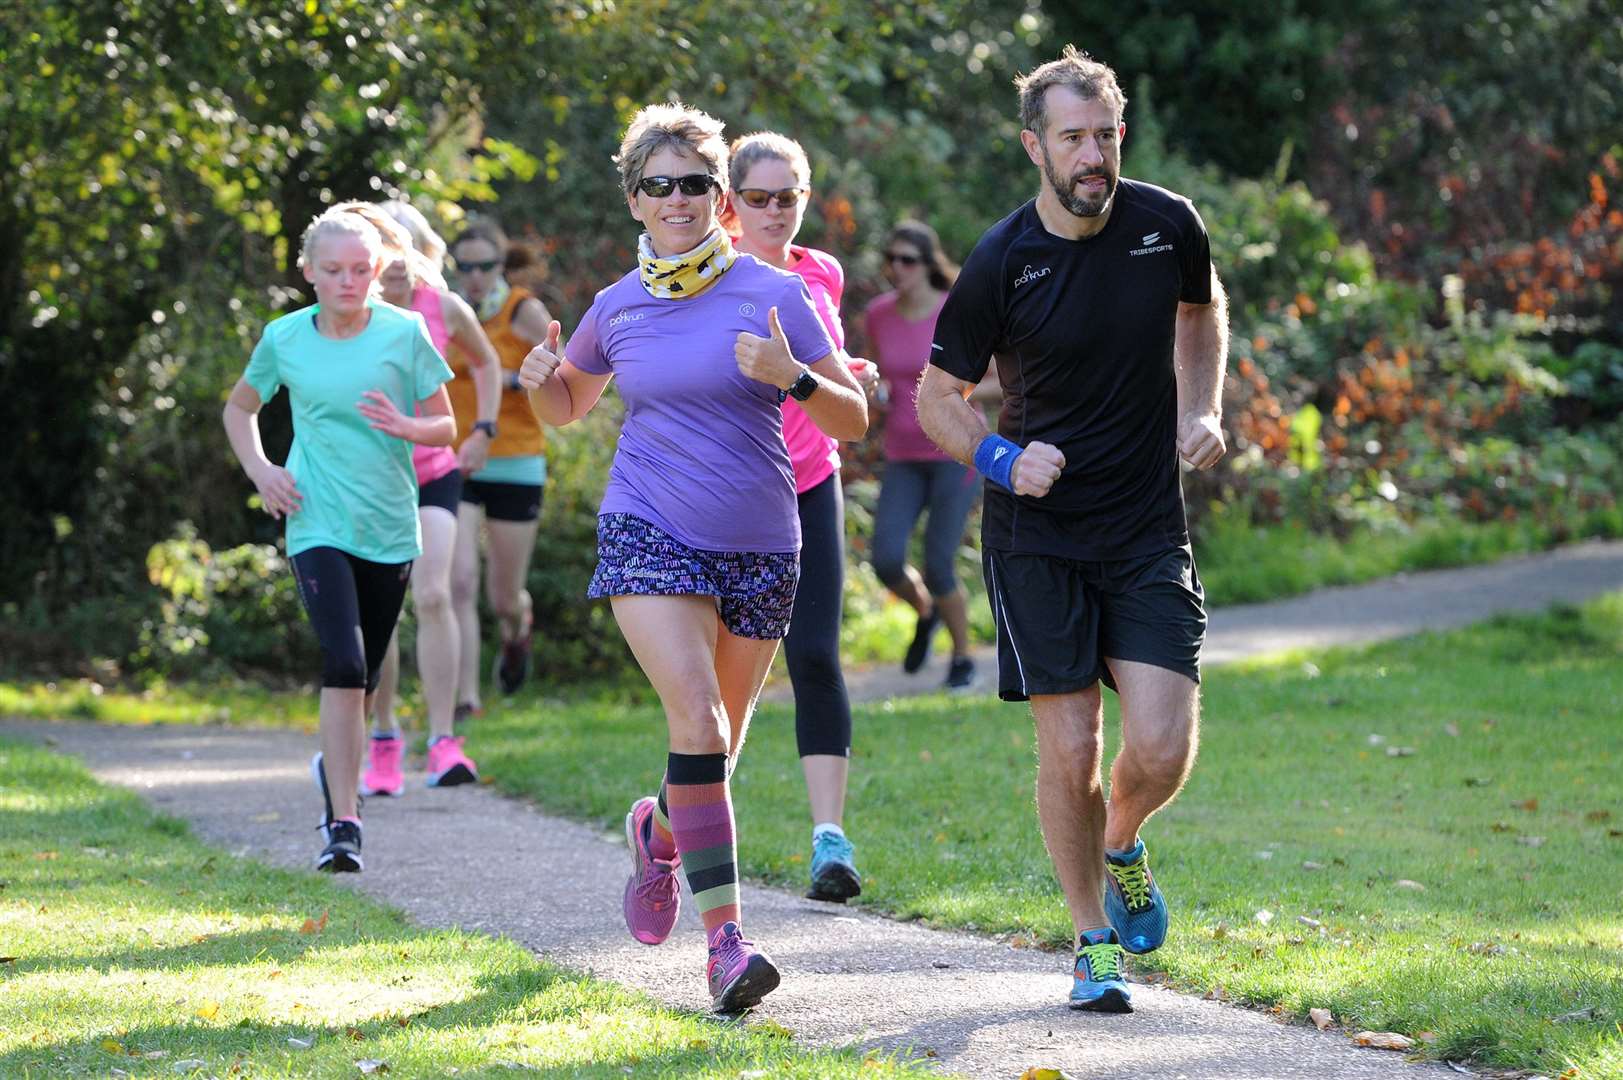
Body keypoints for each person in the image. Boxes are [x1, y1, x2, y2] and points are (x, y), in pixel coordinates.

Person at [516, 103, 866, 1012]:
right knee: (701, 727)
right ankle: (726, 948)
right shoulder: (614, 306)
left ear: (721, 197)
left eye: (694, 183)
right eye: (657, 185)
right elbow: (567, 408)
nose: (677, 199)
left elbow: (851, 420)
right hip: (649, 526)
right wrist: (540, 383)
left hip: (761, 537)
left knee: (714, 750)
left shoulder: (775, 292)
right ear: (633, 198)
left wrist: (789, 375)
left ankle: (659, 829)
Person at [915, 47, 1228, 1013]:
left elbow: (1200, 310)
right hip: (1035, 539)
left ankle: (1123, 839)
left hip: (1143, 527)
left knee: (1164, 745)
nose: (1093, 156)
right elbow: (938, 399)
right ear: (1033, 146)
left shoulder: (1165, 222)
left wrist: (1202, 405)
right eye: (1072, 139)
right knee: (1070, 750)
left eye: (1105, 136)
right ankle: (1093, 939)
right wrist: (1005, 461)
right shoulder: (1002, 258)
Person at [222, 207, 456, 872]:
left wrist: (406, 427)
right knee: (345, 667)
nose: (348, 281)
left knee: (367, 676)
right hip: (315, 518)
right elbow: (240, 408)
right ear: (308, 273)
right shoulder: (285, 338)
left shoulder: (405, 332)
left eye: (360, 270)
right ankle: (343, 823)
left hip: (387, 526)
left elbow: (445, 426)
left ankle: (338, 758)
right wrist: (264, 471)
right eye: (333, 271)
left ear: (378, 271)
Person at [724, 131, 879, 903]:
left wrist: (848, 375)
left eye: (788, 197)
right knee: (727, 678)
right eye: (758, 198)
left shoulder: (821, 271)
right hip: (728, 490)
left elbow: (822, 366)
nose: (775, 210)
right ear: (730, 203)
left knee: (814, 653)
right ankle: (671, 824)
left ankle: (830, 841)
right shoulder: (706, 275)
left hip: (811, 478)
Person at [329, 201, 502, 797]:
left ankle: (443, 740)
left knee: (433, 593)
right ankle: (383, 737)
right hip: (370, 479)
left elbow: (485, 362)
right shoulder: (348, 315)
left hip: (434, 470)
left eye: (400, 244)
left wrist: (483, 430)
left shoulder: (443, 308)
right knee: (385, 609)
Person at [866, 221, 990, 690]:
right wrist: (874, 391)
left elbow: (998, 377)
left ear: (926, 263)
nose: (897, 269)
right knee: (886, 559)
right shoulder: (878, 315)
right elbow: (880, 372)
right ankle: (926, 611)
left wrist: (948, 393)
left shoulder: (952, 311)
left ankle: (961, 657)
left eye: (907, 260)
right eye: (891, 260)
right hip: (902, 456)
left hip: (956, 452)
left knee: (939, 562)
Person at [446, 219, 556, 709]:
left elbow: (565, 373)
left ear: (500, 264)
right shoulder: (444, 313)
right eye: (464, 267)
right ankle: (466, 698)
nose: (474, 276)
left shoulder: (521, 311)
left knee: (502, 597)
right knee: (459, 582)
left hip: (515, 459)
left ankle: (517, 628)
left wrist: (514, 378)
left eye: (484, 266)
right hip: (458, 458)